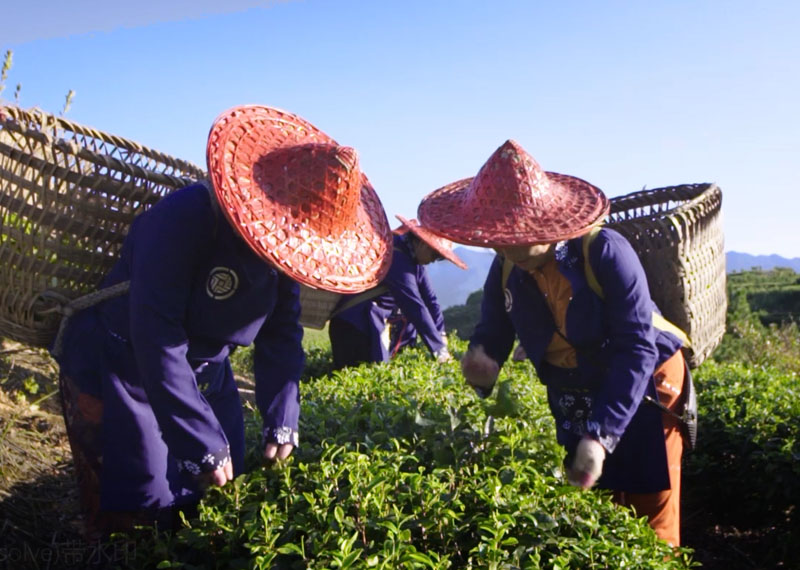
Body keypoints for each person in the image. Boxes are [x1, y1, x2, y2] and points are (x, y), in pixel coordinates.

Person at [51, 104, 394, 540]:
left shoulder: (284, 255)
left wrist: (282, 419)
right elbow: (156, 336)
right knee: (136, 503)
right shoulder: (183, 218)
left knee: (216, 489)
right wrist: (199, 442)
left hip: (206, 371)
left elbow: (281, 335)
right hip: (125, 366)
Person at [417, 139, 689, 547]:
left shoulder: (606, 252)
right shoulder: (507, 264)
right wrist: (482, 363)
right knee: (595, 496)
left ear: (549, 223)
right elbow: (493, 330)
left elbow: (636, 348)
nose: (508, 248)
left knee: (649, 498)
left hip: (646, 381)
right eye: (498, 238)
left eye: (519, 236)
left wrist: (602, 434)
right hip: (575, 383)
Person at [328, 215, 467, 369]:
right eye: (434, 255)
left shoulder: (415, 262)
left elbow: (430, 300)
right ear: (422, 244)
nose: (433, 261)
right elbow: (414, 306)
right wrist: (438, 349)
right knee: (361, 375)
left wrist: (440, 334)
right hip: (353, 328)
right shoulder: (397, 257)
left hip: (369, 324)